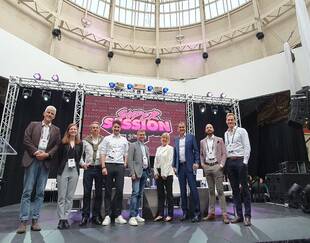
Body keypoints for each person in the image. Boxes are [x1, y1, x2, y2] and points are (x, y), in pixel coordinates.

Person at [16, 106, 61, 234]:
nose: (50, 114)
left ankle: (35, 220)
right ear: (44, 113)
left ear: (54, 116)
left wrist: (47, 154)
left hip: (45, 162)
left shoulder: (56, 130)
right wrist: (36, 152)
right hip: (32, 159)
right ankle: (23, 221)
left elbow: (57, 145)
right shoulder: (33, 125)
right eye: (48, 112)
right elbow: (26, 139)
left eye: (52, 113)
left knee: (40, 192)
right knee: (27, 191)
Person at [224, 113, 252, 226]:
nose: (230, 121)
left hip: (240, 161)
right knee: (235, 190)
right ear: (226, 121)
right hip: (230, 162)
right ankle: (239, 215)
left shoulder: (242, 131)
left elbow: (247, 146)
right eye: (228, 120)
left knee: (245, 189)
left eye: (232, 120)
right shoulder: (226, 133)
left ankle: (248, 216)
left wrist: (245, 162)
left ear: (235, 121)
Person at [101, 120, 129, 226]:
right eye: (115, 127)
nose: (116, 128)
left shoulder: (124, 140)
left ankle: (118, 215)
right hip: (108, 165)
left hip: (120, 166)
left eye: (118, 127)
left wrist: (125, 164)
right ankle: (107, 215)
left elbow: (126, 153)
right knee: (108, 190)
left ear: (120, 128)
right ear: (112, 128)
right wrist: (103, 166)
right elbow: (103, 152)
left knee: (119, 190)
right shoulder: (106, 139)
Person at [200, 124, 229, 224]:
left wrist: (221, 165)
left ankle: (224, 214)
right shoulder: (202, 142)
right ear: (205, 130)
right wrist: (203, 164)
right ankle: (211, 213)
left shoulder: (219, 139)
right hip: (207, 167)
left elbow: (224, 153)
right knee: (211, 191)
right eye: (207, 127)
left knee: (220, 191)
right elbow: (201, 154)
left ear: (213, 129)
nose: (209, 128)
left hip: (217, 166)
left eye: (210, 127)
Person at [56, 123, 83, 229]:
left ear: (77, 131)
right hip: (63, 169)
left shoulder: (79, 144)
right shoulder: (62, 143)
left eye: (75, 129)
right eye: (71, 129)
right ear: (68, 131)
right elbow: (59, 158)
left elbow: (79, 157)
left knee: (70, 197)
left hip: (74, 171)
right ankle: (61, 219)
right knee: (61, 196)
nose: (73, 130)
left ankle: (66, 218)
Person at [172, 122, 201, 222]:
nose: (181, 128)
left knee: (193, 190)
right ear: (177, 129)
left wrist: (197, 162)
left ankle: (197, 213)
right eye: (180, 127)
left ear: (185, 128)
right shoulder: (175, 139)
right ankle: (185, 213)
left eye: (183, 127)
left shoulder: (191, 137)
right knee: (183, 192)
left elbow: (196, 151)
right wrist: (173, 166)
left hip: (190, 167)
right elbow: (175, 154)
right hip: (180, 168)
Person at [79, 121, 104, 226]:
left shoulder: (104, 140)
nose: (95, 129)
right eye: (93, 128)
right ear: (90, 130)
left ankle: (96, 216)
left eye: (97, 127)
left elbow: (106, 153)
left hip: (99, 168)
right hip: (89, 169)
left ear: (99, 129)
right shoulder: (85, 141)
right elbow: (79, 154)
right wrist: (82, 163)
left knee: (98, 194)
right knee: (87, 193)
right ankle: (85, 216)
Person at [127, 130, 150, 226]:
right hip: (136, 173)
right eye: (140, 134)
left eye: (143, 135)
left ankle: (136, 214)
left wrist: (148, 173)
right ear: (136, 135)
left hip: (144, 172)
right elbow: (130, 160)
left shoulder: (146, 147)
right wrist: (132, 172)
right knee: (135, 193)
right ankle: (132, 216)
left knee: (140, 194)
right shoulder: (133, 145)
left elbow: (147, 160)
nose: (142, 136)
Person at [153, 133, 174, 222]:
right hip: (159, 173)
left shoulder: (170, 148)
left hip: (168, 174)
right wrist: (155, 172)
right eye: (163, 137)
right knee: (160, 195)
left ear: (168, 139)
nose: (164, 139)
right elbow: (155, 161)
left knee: (169, 195)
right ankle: (161, 214)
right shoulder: (158, 148)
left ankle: (170, 214)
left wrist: (164, 173)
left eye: (166, 138)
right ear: (161, 139)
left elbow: (169, 162)